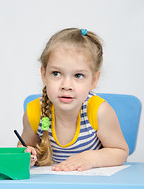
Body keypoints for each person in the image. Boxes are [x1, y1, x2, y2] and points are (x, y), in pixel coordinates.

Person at [17, 28, 129, 171]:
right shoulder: (35, 112)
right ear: (44, 74)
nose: (66, 85)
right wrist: (27, 154)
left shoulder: (98, 111)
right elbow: (24, 147)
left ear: (94, 80)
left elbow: (120, 151)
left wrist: (91, 158)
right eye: (56, 73)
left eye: (78, 76)